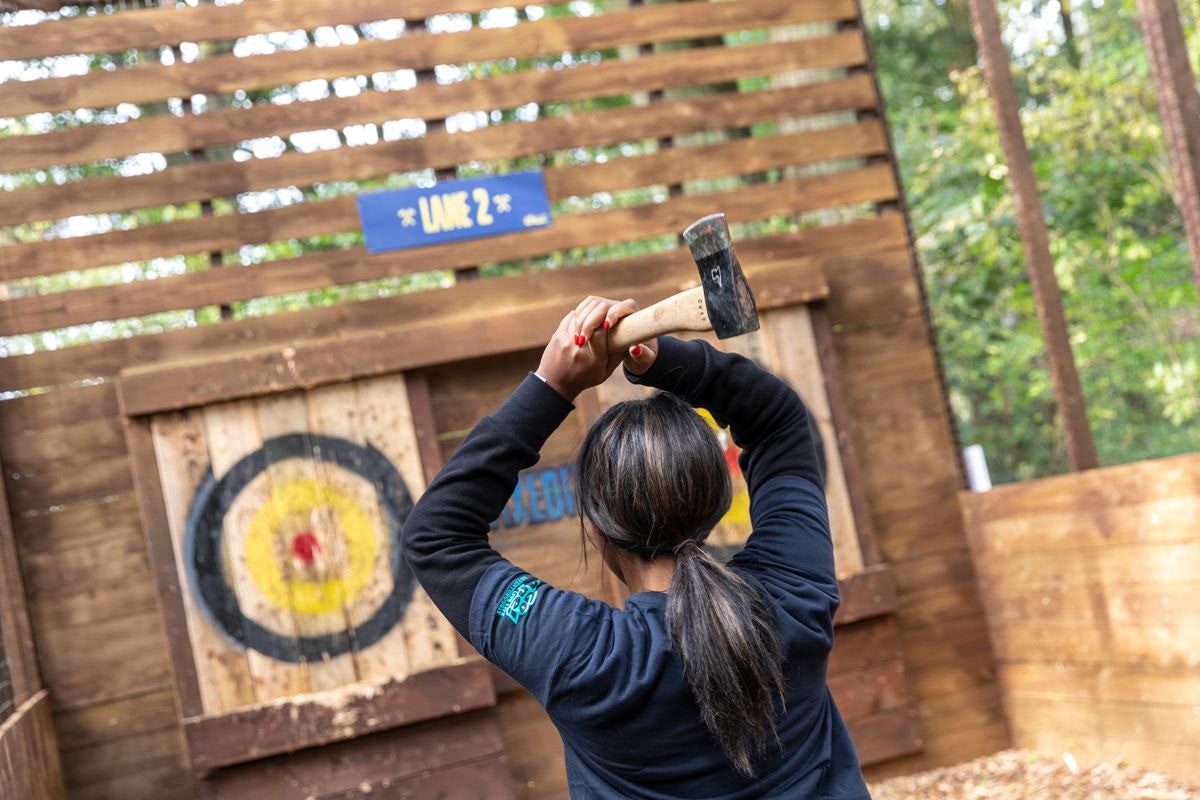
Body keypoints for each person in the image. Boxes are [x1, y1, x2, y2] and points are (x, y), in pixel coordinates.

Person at [402, 296, 871, 799]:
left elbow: (435, 535)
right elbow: (777, 420)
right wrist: (667, 361)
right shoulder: (793, 593)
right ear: (715, 499)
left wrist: (553, 385)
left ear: (598, 529)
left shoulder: (584, 658)